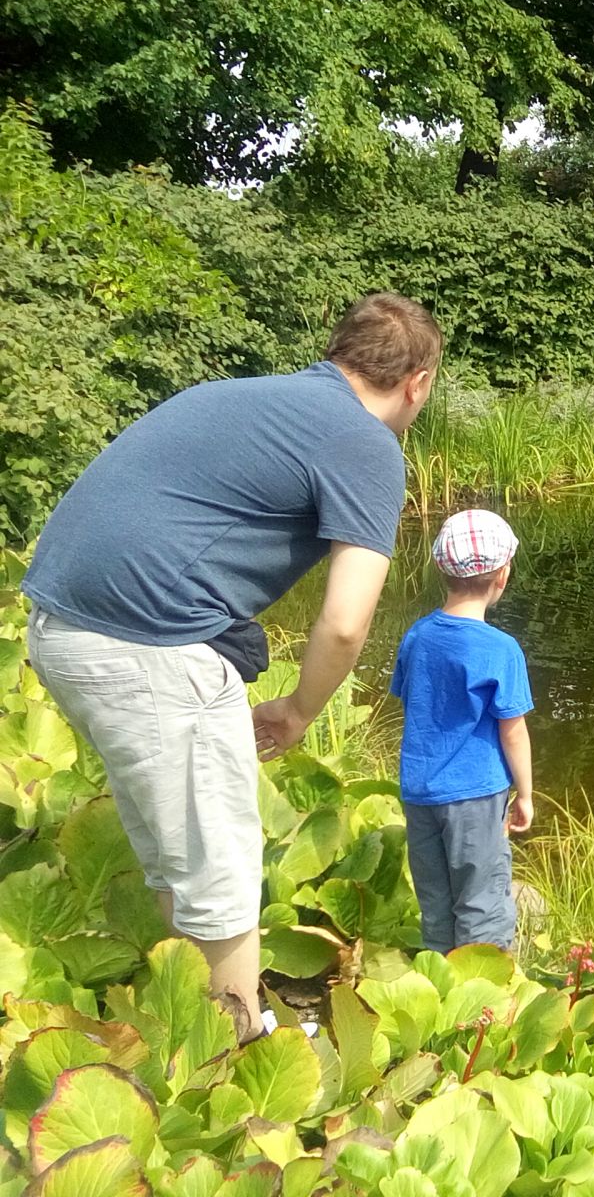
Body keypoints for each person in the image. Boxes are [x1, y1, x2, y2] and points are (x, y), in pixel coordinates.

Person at [22, 292, 440, 1040]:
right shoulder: (367, 443)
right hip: (142, 644)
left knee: (181, 844)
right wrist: (299, 710)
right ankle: (235, 1050)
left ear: (337, 353)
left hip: (59, 626)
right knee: (220, 863)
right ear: (417, 383)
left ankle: (187, 1015)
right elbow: (346, 623)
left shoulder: (237, 394)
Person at [390, 508, 535, 954]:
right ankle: (482, 1005)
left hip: (420, 792)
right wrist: (526, 795)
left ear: (440, 569)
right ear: (503, 576)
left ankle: (438, 988)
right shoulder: (501, 649)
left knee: (436, 900)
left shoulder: (417, 635)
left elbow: (411, 698)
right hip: (475, 796)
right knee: (482, 900)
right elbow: (513, 732)